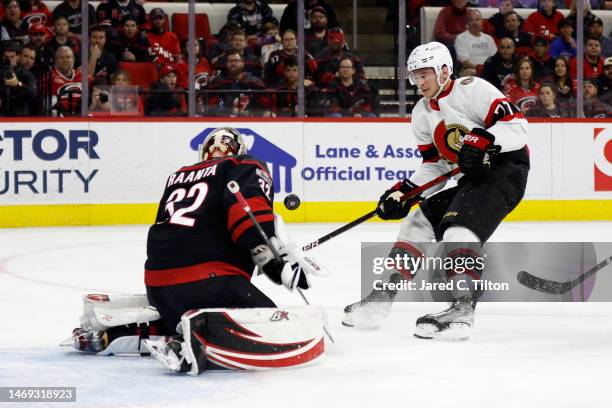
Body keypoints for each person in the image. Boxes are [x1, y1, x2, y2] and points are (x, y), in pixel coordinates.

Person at [342, 42, 529, 340]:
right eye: (415, 76)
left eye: (425, 74)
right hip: (471, 179)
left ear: (444, 70)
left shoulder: (473, 89)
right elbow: (437, 166)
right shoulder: (421, 113)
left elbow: (519, 127)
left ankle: (462, 309)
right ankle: (381, 299)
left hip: (505, 172)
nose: (420, 81)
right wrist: (404, 192)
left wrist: (485, 139)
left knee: (458, 230)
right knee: (416, 222)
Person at [144, 127, 320, 374]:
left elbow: (176, 231)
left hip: (157, 286)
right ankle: (193, 339)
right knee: (270, 323)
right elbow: (246, 213)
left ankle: (119, 332)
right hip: (208, 283)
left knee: (177, 310)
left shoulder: (177, 176)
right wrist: (274, 263)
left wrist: (272, 261)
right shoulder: (243, 164)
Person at [454, 9, 497, 77]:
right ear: (468, 22)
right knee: (470, 72)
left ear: (481, 22)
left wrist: (486, 69)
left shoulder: (489, 39)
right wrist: (480, 69)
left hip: (489, 70)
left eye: (477, 19)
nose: (475, 22)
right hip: (471, 69)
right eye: (471, 20)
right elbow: (464, 62)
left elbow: (495, 58)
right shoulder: (461, 38)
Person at [0, 40, 37, 116]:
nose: (9, 60)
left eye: (12, 57)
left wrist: (18, 85)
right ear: (2, 57)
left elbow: (33, 94)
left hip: (20, 115)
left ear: (17, 57)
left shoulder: (26, 74)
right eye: (6, 57)